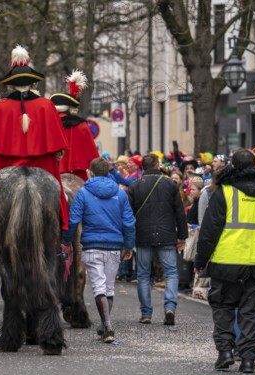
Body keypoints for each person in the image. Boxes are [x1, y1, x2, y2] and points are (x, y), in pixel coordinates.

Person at [0, 46, 69, 249]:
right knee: (60, 199)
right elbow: (57, 149)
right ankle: (61, 235)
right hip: (42, 167)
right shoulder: (46, 105)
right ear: (33, 82)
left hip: (6, 167)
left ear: (11, 85)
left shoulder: (0, 107)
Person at [195, 150, 255, 373]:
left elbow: (209, 231)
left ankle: (225, 352)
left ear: (232, 167)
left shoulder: (225, 192)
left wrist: (201, 260)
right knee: (250, 310)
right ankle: (248, 359)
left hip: (227, 261)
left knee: (224, 308)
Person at [63, 158, 135, 343]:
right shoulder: (120, 194)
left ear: (90, 173)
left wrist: (66, 240)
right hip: (114, 247)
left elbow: (73, 221)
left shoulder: (83, 194)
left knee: (99, 288)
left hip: (91, 246)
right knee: (108, 288)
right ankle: (104, 325)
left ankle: (108, 327)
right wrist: (128, 245)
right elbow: (129, 222)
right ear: (108, 172)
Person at [128, 154, 188, 325]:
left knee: (143, 275)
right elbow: (179, 212)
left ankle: (146, 313)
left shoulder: (135, 186)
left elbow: (129, 216)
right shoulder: (170, 184)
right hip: (167, 234)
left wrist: (128, 239)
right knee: (170, 273)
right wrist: (182, 236)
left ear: (143, 167)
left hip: (143, 235)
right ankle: (170, 307)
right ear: (157, 165)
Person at [50, 70, 99, 182]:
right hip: (79, 173)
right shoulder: (82, 125)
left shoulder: (51, 124)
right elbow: (92, 155)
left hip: (53, 171)